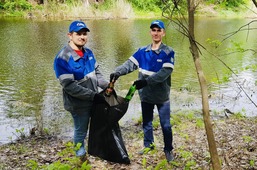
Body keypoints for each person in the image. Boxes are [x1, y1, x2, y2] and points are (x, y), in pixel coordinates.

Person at [110, 20, 175, 162]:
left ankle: (168, 149)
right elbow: (129, 65)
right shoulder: (142, 51)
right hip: (145, 95)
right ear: (150, 32)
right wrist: (117, 73)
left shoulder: (168, 52)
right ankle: (148, 145)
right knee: (147, 122)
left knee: (166, 125)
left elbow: (164, 73)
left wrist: (146, 81)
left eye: (159, 30)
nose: (156, 33)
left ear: (163, 33)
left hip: (162, 96)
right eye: (153, 30)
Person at [53, 20, 108, 160]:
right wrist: (94, 96)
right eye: (78, 34)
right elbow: (69, 86)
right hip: (78, 104)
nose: (82, 37)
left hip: (93, 100)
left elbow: (97, 74)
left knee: (97, 127)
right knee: (81, 130)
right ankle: (80, 156)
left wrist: (107, 86)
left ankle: (97, 151)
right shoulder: (62, 58)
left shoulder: (88, 52)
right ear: (70, 35)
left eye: (84, 34)